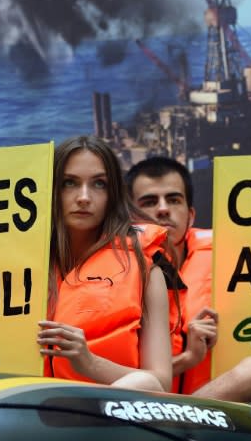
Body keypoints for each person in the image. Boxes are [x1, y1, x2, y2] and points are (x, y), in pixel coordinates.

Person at [126, 156, 251, 402]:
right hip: (140, 408)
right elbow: (109, 378)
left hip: (210, 407)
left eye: (174, 200)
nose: (163, 209)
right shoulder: (110, 275)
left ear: (191, 215)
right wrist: (188, 359)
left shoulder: (237, 259)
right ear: (131, 217)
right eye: (149, 201)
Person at [37, 136, 173, 392]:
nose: (84, 197)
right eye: (69, 183)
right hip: (25, 415)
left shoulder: (146, 269)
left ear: (113, 195)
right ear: (51, 189)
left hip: (109, 417)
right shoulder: (18, 265)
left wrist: (89, 363)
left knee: (143, 381)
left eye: (99, 184)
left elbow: (160, 383)